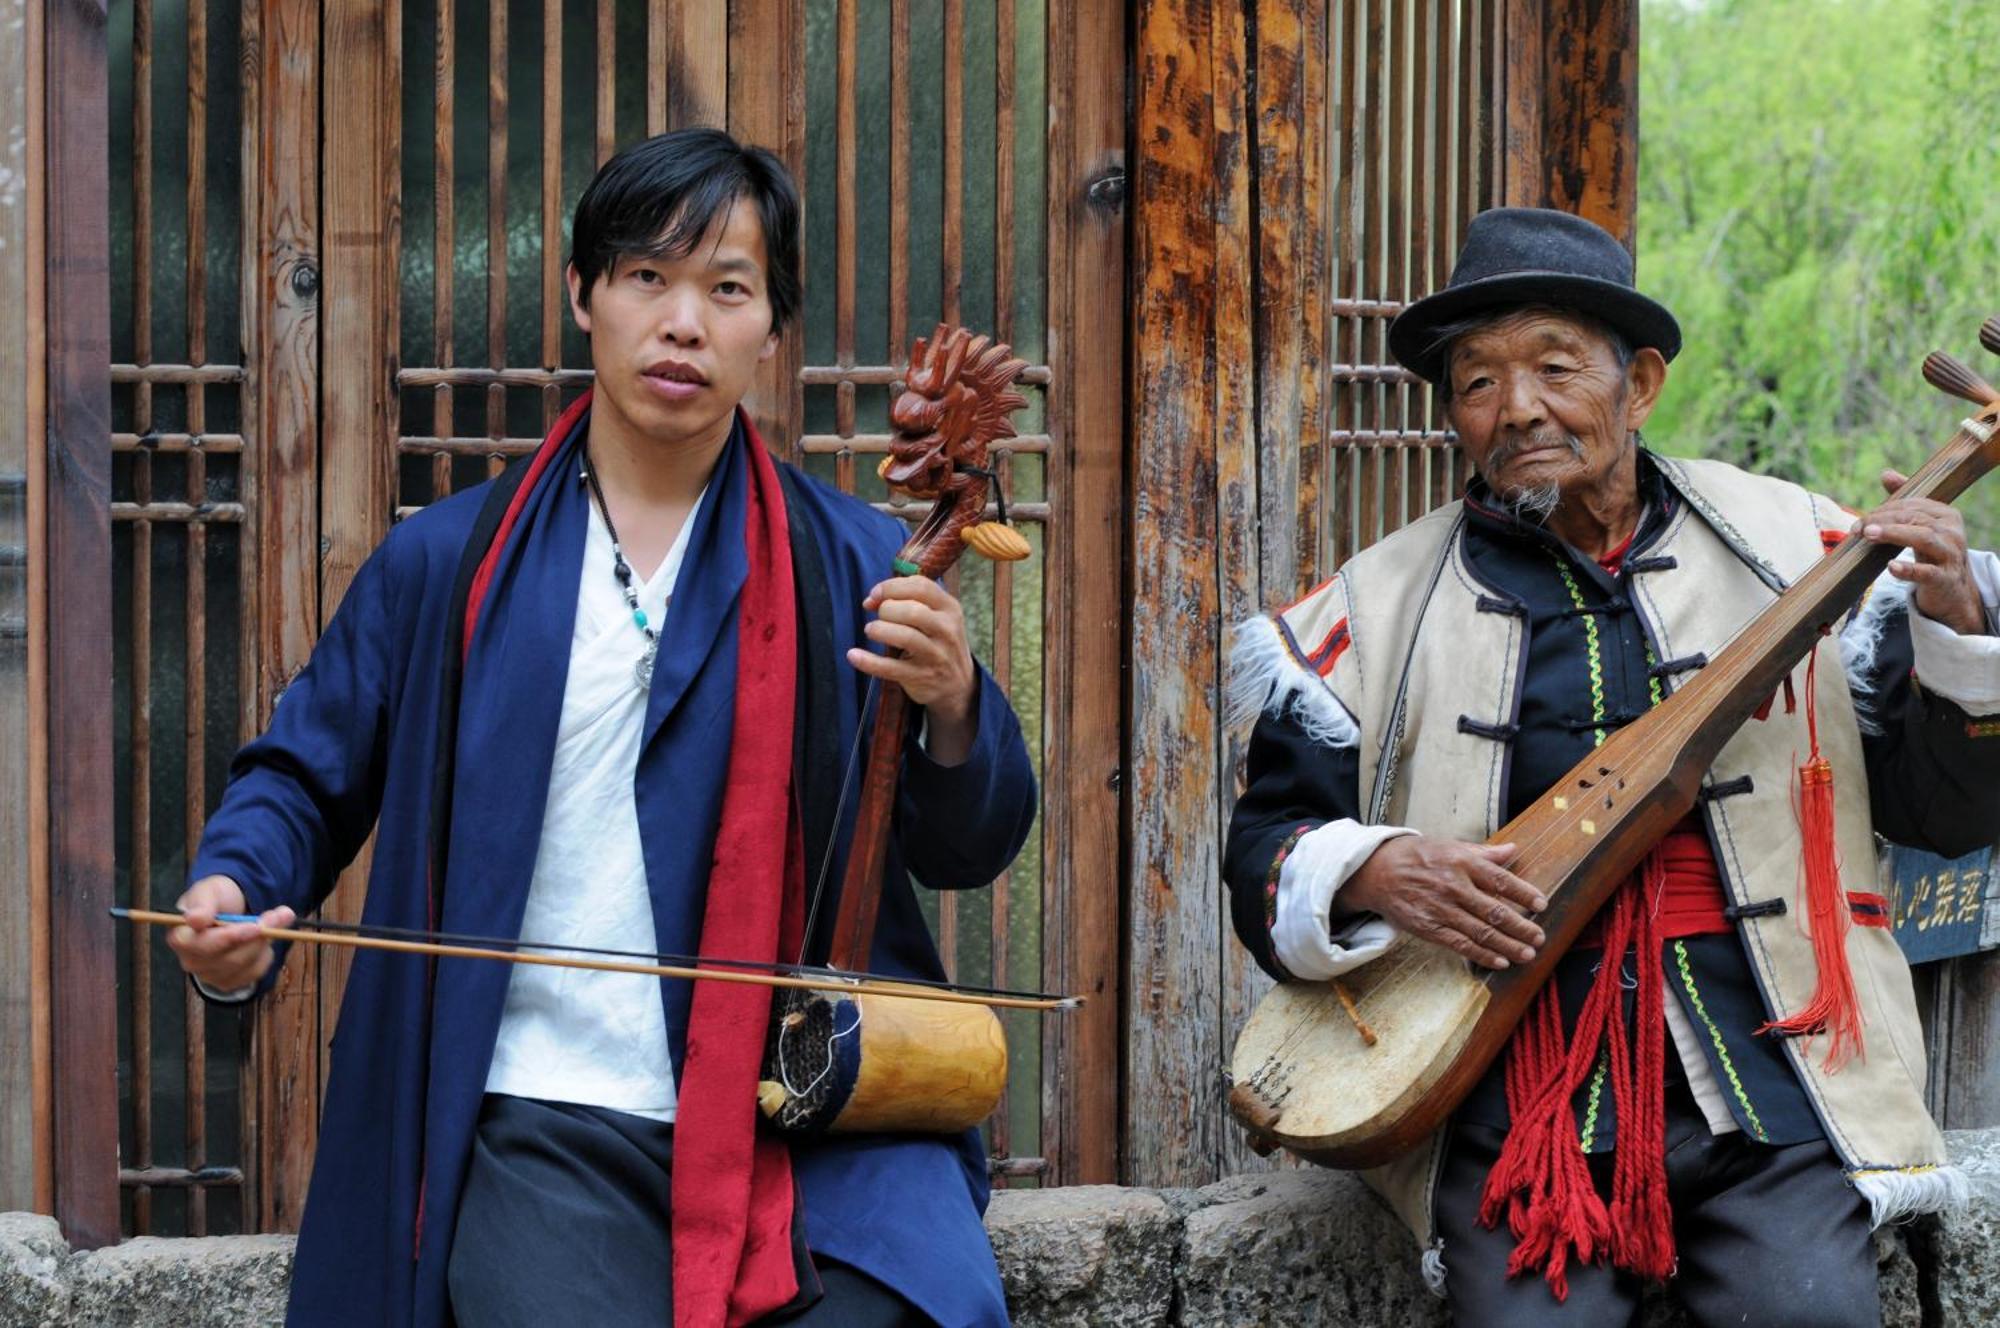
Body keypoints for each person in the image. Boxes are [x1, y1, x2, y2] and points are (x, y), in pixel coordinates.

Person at [167, 128, 1036, 1328]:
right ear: (583, 295)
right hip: (542, 1104)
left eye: (727, 288)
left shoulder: (856, 559)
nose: (683, 322)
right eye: (646, 277)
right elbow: (303, 776)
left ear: (770, 330)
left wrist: (951, 702)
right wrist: (233, 886)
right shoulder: (445, 562)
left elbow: (966, 845)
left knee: (914, 1303)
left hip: (799, 1102)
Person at [1224, 206, 2000, 1327]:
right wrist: (1374, 870)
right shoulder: (1371, 609)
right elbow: (1265, 847)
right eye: (1477, 381)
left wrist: (1957, 630)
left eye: (1551, 365)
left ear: (1637, 384)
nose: (1516, 407)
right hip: (1513, 1105)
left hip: (1769, 1088)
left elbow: (1944, 809)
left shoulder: (1800, 547)